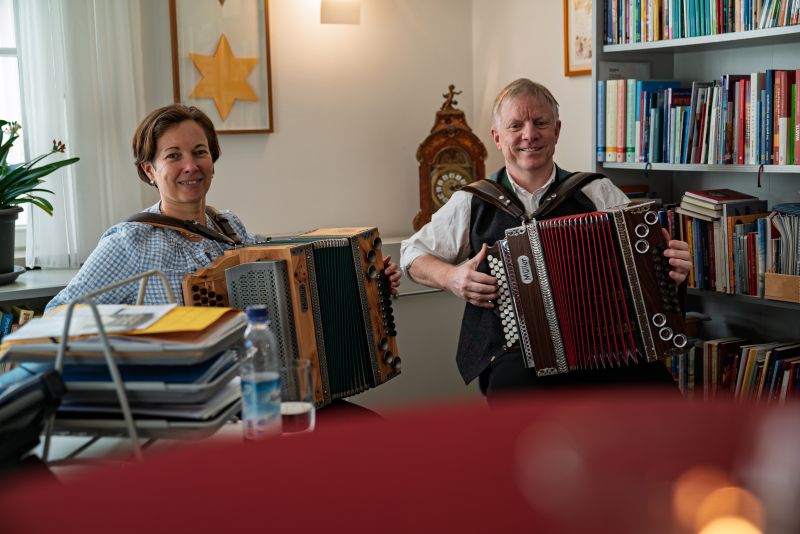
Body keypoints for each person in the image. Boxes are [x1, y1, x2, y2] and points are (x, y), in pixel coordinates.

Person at [400, 78, 692, 398]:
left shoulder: (596, 191)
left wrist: (671, 266)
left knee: (662, 396)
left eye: (540, 122)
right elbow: (411, 254)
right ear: (498, 137)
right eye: (516, 126)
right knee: (518, 398)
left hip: (604, 346)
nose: (530, 134)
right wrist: (452, 277)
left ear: (557, 130)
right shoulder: (473, 201)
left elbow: (649, 265)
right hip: (513, 355)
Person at [47, 104, 401, 313]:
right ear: (149, 170)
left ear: (213, 161)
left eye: (199, 152)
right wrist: (147, 333)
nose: (191, 165)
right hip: (185, 410)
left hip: (257, 389)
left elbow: (298, 284)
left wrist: (367, 282)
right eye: (173, 156)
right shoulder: (132, 242)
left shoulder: (230, 228)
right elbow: (58, 314)